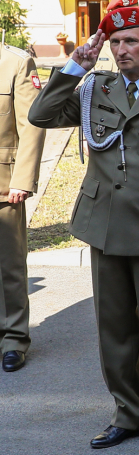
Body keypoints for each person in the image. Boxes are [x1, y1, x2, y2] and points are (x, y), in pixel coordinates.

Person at [28, 5, 139, 451]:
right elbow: (41, 114)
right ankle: (127, 412)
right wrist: (75, 66)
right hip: (104, 226)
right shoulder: (94, 89)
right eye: (115, 43)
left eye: (131, 41)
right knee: (114, 329)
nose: (122, 49)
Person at [0, 43, 45, 372]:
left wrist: (23, 178)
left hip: (3, 181)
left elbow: (32, 122)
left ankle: (13, 335)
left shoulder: (16, 62)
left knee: (9, 265)